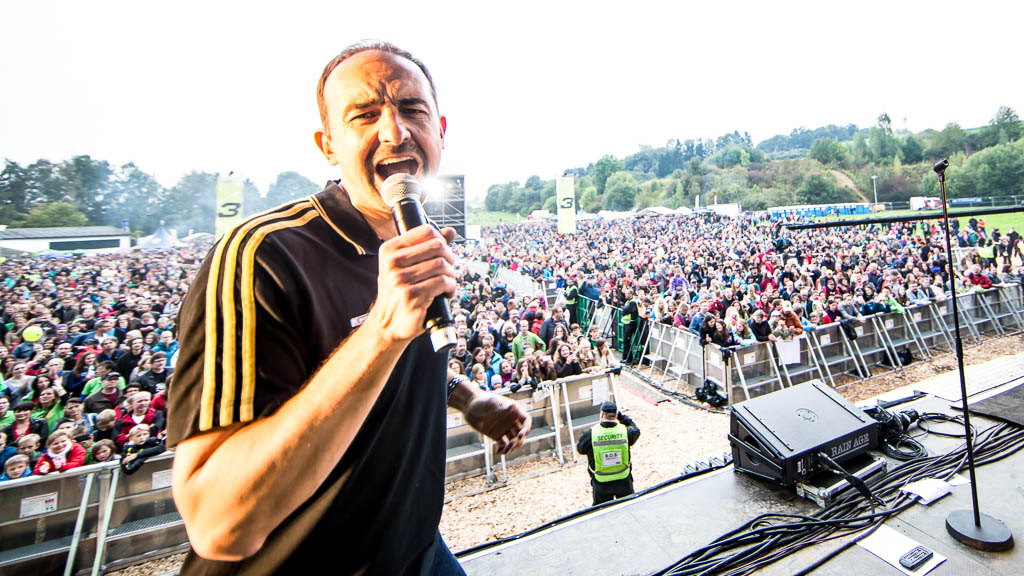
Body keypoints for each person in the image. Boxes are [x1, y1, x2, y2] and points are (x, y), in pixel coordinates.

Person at [168, 41, 530, 575]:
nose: (394, 132)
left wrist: (466, 397)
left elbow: (402, 362)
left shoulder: (420, 239)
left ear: (440, 131)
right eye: (364, 115)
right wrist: (382, 328)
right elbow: (218, 523)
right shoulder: (262, 255)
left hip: (414, 550)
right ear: (328, 145)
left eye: (412, 110)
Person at [576, 402, 640, 506]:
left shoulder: (591, 434)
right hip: (624, 479)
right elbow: (636, 430)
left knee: (602, 511)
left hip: (601, 481)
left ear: (601, 414)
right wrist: (623, 418)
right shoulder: (625, 432)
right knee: (628, 507)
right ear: (616, 414)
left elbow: (581, 449)